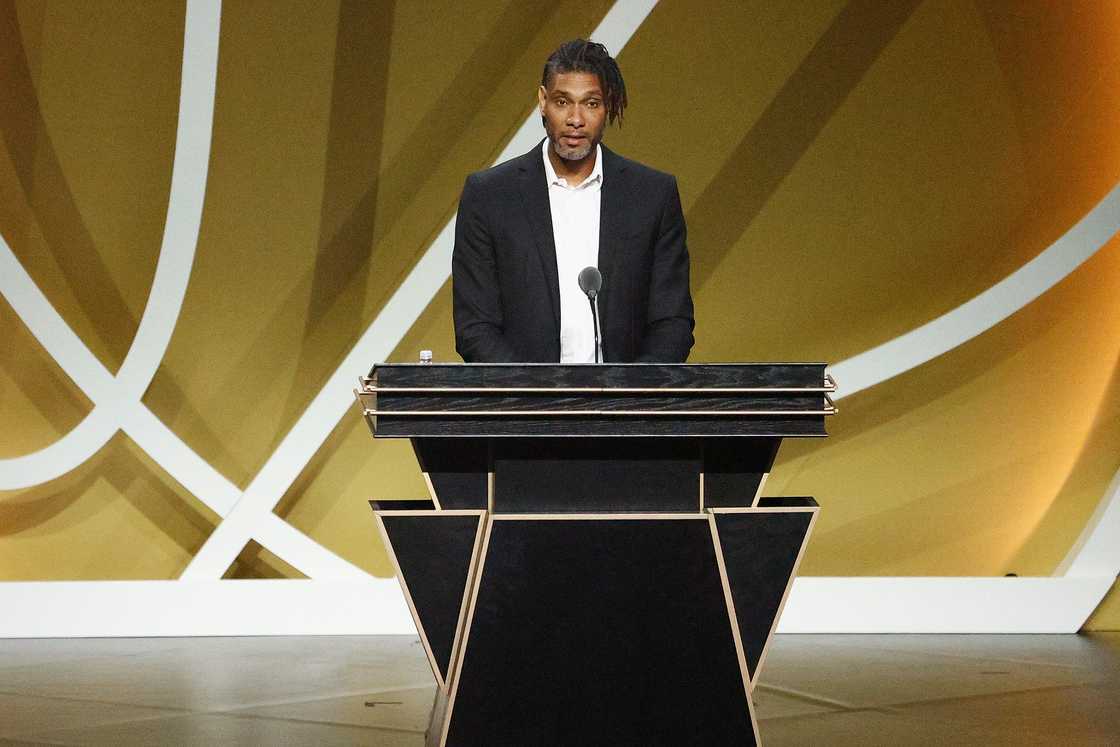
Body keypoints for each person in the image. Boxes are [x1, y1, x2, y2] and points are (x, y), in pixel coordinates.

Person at [452, 39, 694, 363]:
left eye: (591, 104)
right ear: (542, 101)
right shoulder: (490, 196)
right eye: (563, 102)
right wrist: (533, 402)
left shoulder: (652, 196)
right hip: (524, 408)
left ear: (606, 106)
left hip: (626, 407)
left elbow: (672, 323)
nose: (576, 119)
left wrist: (628, 402)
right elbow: (475, 328)